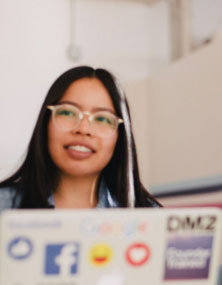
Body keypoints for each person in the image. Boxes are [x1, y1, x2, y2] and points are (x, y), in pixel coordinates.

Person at [0, 66, 159, 210]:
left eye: (102, 119)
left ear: (121, 136)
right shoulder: (4, 206)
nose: (83, 129)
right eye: (67, 112)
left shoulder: (148, 215)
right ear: (46, 122)